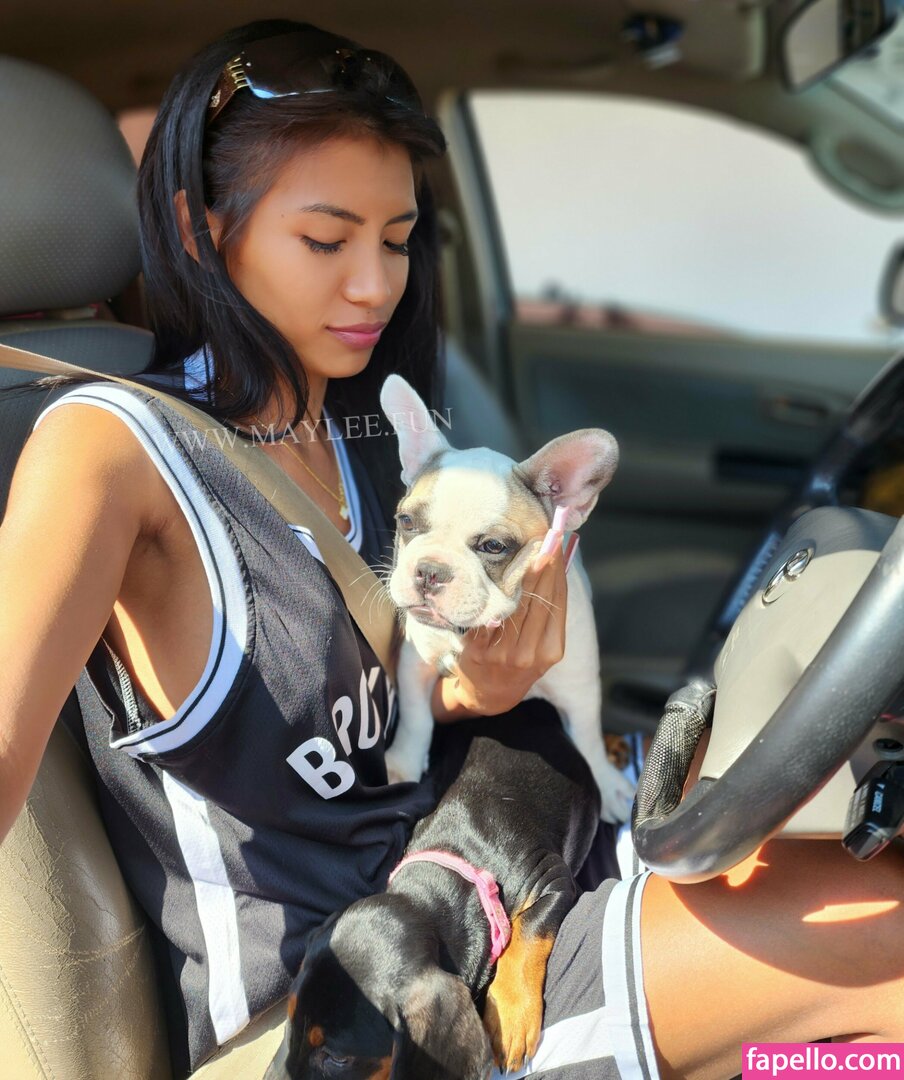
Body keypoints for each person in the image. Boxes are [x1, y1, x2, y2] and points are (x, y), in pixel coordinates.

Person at [0, 18, 902, 1080]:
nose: (375, 285)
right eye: (327, 241)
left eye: (396, 240)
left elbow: (409, 717)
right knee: (881, 936)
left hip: (500, 892)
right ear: (202, 230)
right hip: (352, 1006)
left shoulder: (373, 433)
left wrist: (483, 689)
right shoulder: (109, 448)